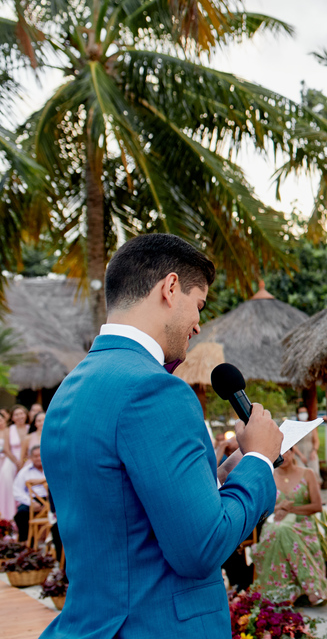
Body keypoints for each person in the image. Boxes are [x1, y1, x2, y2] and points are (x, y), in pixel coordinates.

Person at [41, 234, 282, 639]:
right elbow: (201, 548)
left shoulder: (70, 389)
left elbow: (121, 509)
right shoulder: (155, 389)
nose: (198, 325)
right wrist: (259, 462)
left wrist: (221, 477)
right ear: (170, 288)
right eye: (199, 305)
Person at [251, 447, 327, 605]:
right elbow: (261, 509)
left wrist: (290, 510)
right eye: (279, 452)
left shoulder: (307, 474)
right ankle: (309, 588)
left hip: (302, 523)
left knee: (282, 530)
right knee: (279, 529)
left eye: (287, 451)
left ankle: (290, 592)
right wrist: (278, 508)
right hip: (275, 522)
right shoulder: (269, 477)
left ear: (294, 453)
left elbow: (317, 506)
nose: (283, 456)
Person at [13, 444, 49, 542]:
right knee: (21, 515)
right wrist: (31, 502)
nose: (38, 458)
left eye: (40, 455)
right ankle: (27, 544)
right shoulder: (24, 472)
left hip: (51, 500)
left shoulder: (50, 469)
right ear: (30, 458)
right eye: (35, 456)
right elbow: (17, 491)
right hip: (33, 500)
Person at [0, 405, 26, 520]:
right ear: (12, 417)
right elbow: (6, 449)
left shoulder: (29, 428)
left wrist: (24, 461)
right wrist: (17, 462)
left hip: (28, 460)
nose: (19, 416)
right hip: (12, 460)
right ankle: (9, 516)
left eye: (21, 413)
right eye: (16, 414)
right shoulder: (9, 430)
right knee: (7, 482)